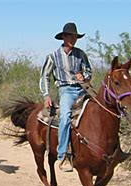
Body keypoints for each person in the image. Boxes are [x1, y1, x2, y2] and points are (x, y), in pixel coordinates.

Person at [39, 22, 92, 172]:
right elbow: (45, 77)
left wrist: (84, 76)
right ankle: (63, 154)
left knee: (100, 108)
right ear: (63, 37)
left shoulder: (81, 54)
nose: (73, 38)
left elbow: (89, 71)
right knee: (65, 116)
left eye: (75, 36)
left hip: (82, 88)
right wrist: (46, 95)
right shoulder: (53, 56)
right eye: (70, 35)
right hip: (66, 90)